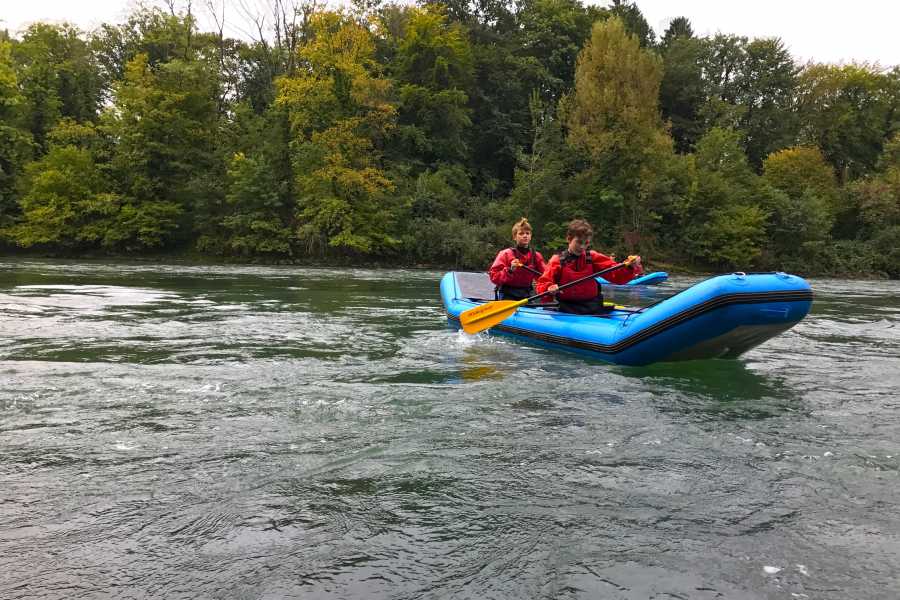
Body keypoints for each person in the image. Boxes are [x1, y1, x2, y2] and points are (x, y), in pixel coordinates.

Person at [535, 219, 643, 314]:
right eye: (579, 242)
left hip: (593, 306)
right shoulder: (557, 261)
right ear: (569, 239)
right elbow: (542, 284)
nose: (582, 247)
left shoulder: (593, 257)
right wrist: (549, 288)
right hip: (567, 308)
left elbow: (616, 276)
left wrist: (630, 267)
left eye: (586, 243)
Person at [488, 217, 546, 300]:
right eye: (521, 234)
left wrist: (550, 286)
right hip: (508, 293)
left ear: (530, 236)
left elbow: (545, 277)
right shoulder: (505, 254)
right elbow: (494, 277)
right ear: (514, 237)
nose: (525, 236)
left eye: (527, 233)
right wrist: (510, 270)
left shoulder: (536, 256)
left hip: (527, 294)